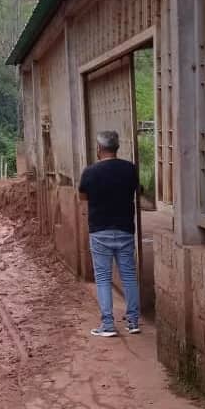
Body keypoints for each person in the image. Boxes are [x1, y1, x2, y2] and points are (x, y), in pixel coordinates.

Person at [78, 130, 141, 337]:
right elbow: (137, 190)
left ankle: (107, 324)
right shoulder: (130, 169)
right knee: (129, 276)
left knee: (103, 278)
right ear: (117, 147)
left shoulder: (90, 172)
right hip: (124, 230)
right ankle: (133, 322)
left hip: (100, 231)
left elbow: (83, 197)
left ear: (98, 149)